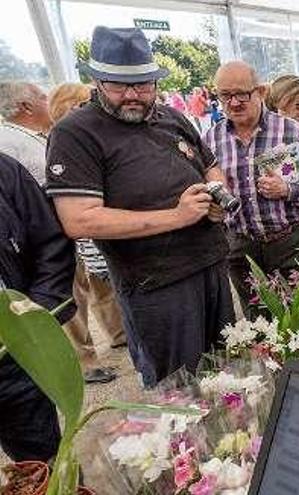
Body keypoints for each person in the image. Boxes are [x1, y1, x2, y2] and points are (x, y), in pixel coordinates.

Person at [46, 26, 234, 388]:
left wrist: (216, 197)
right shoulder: (76, 133)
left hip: (209, 261)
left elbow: (210, 164)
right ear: (97, 81)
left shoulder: (171, 118)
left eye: (143, 85)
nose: (132, 95)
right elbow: (79, 218)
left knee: (225, 370)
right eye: (119, 86)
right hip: (156, 283)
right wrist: (176, 217)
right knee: (179, 387)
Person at [204, 62, 299, 315]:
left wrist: (288, 190)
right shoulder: (211, 139)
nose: (234, 102)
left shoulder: (290, 130)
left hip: (290, 241)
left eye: (242, 94)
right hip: (240, 247)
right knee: (259, 323)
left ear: (260, 91)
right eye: (225, 95)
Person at [48, 82, 126, 385]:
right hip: (81, 242)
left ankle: (119, 335)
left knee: (105, 292)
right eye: (81, 104)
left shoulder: (94, 139)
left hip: (99, 242)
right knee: (78, 299)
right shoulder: (64, 141)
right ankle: (86, 360)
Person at [0, 151, 75, 463]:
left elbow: (50, 242)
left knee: (46, 466)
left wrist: (35, 315)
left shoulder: (5, 171)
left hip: (14, 356)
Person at [0, 81, 51, 185]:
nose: (51, 102)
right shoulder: (6, 143)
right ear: (27, 107)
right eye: (44, 98)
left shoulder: (32, 134)